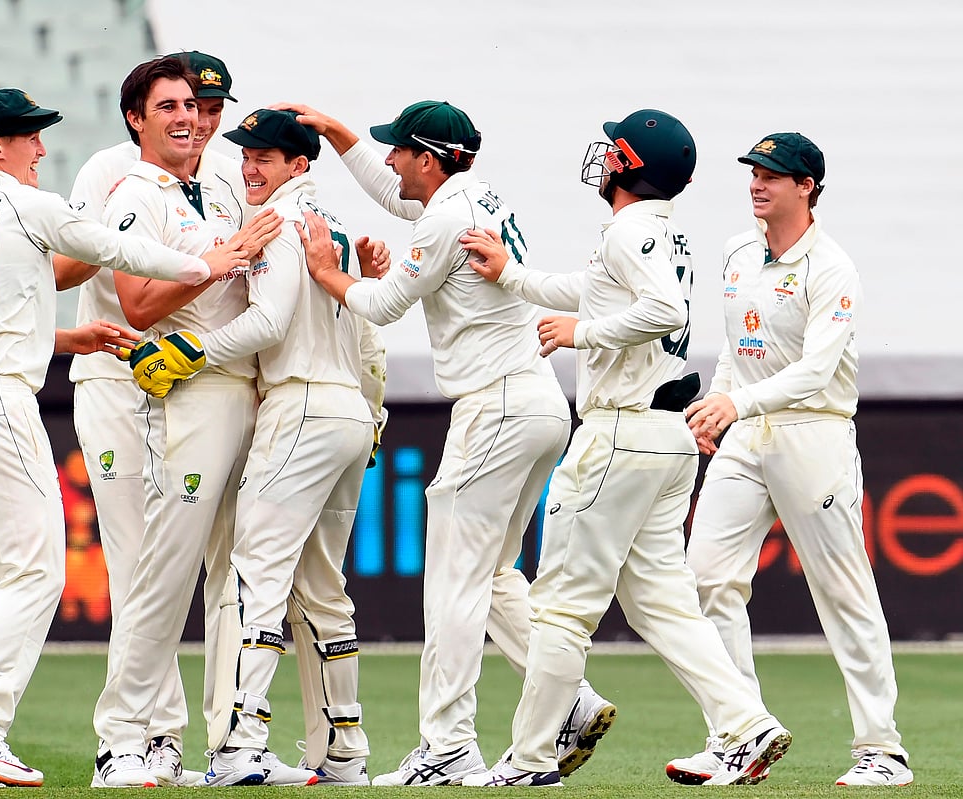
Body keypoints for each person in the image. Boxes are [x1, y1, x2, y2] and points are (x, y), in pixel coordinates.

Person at [0, 87, 243, 788]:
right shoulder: (27, 203)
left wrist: (68, 336)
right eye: (29, 136)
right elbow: (121, 250)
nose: (41, 149)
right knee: (36, 572)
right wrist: (210, 263)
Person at [456, 109, 791, 788]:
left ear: (631, 164)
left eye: (615, 149)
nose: (603, 157)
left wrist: (581, 335)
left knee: (559, 610)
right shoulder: (656, 232)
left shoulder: (631, 229)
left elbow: (658, 310)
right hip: (664, 440)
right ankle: (746, 722)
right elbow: (594, 289)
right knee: (663, 601)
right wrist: (513, 275)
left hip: (620, 433)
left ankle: (528, 759)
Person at [287, 99, 614, 786]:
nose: (392, 162)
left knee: (454, 586)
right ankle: (570, 701)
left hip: (494, 406)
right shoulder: (471, 194)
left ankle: (447, 744)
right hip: (538, 400)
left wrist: (325, 270)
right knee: (493, 575)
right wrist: (339, 132)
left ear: (428, 159)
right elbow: (393, 191)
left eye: (398, 150)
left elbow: (378, 304)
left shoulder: (443, 217)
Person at [143, 108, 383, 786]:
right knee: (324, 587)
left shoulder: (277, 222)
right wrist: (373, 410)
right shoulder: (326, 222)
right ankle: (345, 749)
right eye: (246, 154)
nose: (250, 166)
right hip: (345, 412)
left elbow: (268, 320)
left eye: (267, 157)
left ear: (299, 164)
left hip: (300, 404)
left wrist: (189, 350)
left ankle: (243, 741)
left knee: (256, 575)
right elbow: (368, 332)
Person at [673, 133, 913, 787]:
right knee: (705, 579)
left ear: (806, 186)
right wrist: (720, 402)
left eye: (773, 174)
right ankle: (738, 734)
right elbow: (735, 343)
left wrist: (736, 405)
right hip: (746, 432)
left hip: (814, 434)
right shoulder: (737, 249)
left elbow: (814, 372)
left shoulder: (832, 267)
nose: (757, 182)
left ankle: (882, 750)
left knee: (844, 592)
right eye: (753, 171)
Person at [56, 49, 251, 787]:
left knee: (209, 566)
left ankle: (218, 739)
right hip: (115, 375)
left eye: (208, 106)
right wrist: (114, 240)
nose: (197, 119)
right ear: (142, 117)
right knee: (143, 562)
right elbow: (72, 266)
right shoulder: (117, 172)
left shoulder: (220, 180)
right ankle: (142, 734)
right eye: (179, 105)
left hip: (192, 388)